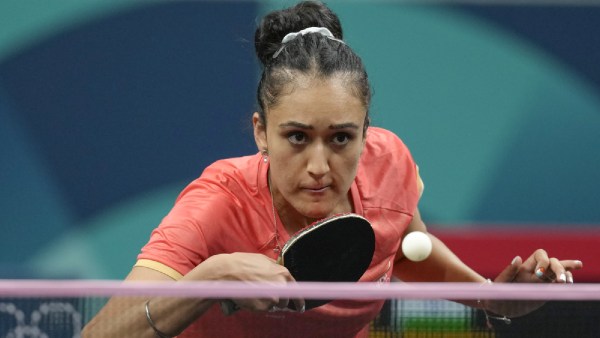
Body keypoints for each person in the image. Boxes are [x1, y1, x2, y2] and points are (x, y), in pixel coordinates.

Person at [82, 1, 583, 337]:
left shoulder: (390, 165)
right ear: (261, 132)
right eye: (296, 137)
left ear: (367, 133)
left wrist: (492, 298)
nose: (319, 167)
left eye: (342, 138)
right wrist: (210, 278)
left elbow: (401, 246)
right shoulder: (218, 204)